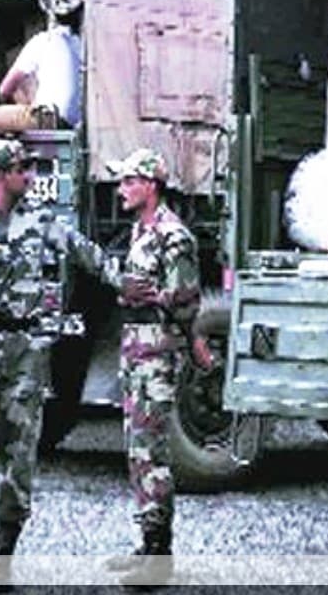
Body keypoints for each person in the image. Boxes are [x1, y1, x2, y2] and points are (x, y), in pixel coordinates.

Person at [0, 138, 123, 588]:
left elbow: (88, 255)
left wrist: (128, 284)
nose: (32, 176)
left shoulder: (43, 223)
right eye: (24, 168)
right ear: (2, 174)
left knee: (22, 448)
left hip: (25, 347)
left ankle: (4, 552)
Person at [103, 148, 213, 588]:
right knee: (136, 448)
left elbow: (186, 299)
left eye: (129, 181)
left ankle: (159, 554)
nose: (121, 189)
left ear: (150, 184)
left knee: (152, 451)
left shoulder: (173, 235)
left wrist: (149, 298)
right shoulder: (140, 231)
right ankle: (146, 544)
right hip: (134, 348)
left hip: (157, 349)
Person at [0, 11, 82, 170]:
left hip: (47, 117)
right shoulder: (80, 44)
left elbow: (4, 89)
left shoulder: (43, 40)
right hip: (74, 122)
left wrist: (10, 106)